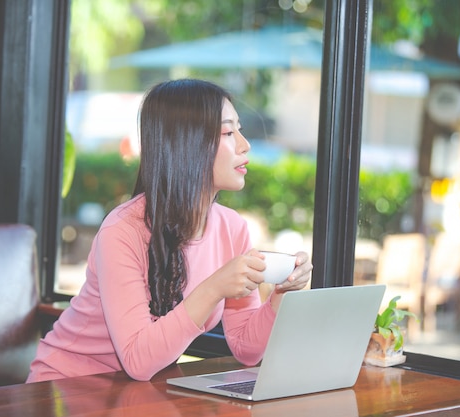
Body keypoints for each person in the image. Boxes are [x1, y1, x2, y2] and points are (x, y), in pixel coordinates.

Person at [26, 78, 313, 383]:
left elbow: (246, 348)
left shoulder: (232, 228)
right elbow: (138, 359)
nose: (245, 145)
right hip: (62, 389)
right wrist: (214, 288)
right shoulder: (122, 230)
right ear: (187, 143)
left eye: (239, 130)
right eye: (229, 132)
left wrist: (283, 292)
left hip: (135, 395)